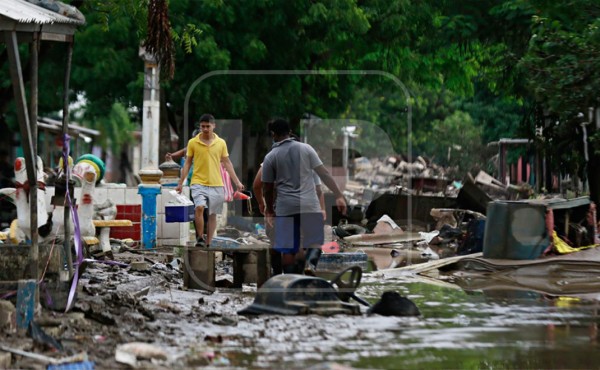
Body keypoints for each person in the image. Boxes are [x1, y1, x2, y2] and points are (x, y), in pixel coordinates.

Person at [262, 118, 347, 275]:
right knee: (315, 242)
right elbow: (324, 174)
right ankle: (310, 265)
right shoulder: (307, 149)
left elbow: (267, 189)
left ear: (273, 134)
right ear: (290, 133)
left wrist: (269, 210)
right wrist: (338, 195)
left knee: (287, 249)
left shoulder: (271, 156)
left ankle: (288, 279)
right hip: (309, 205)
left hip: (285, 207)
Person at [176, 114, 244, 247]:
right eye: (203, 126)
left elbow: (227, 163)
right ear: (200, 127)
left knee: (212, 214)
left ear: (214, 126)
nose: (205, 129)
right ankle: (200, 238)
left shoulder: (221, 143)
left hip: (217, 183)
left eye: (208, 126)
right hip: (197, 182)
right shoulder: (193, 142)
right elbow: (188, 163)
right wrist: (180, 183)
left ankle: (208, 242)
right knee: (199, 208)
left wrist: (237, 182)